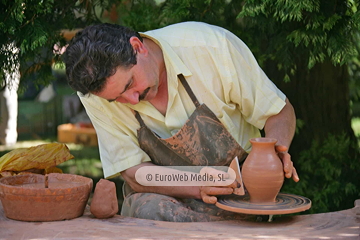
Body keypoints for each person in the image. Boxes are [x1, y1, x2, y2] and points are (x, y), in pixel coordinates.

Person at [64, 21, 299, 222]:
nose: (132, 100)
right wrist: (197, 184)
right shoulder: (96, 96)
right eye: (117, 99)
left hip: (239, 192)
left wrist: (274, 150)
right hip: (163, 197)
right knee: (149, 210)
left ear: (137, 47)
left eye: (129, 85)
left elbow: (277, 111)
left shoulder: (212, 48)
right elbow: (133, 170)